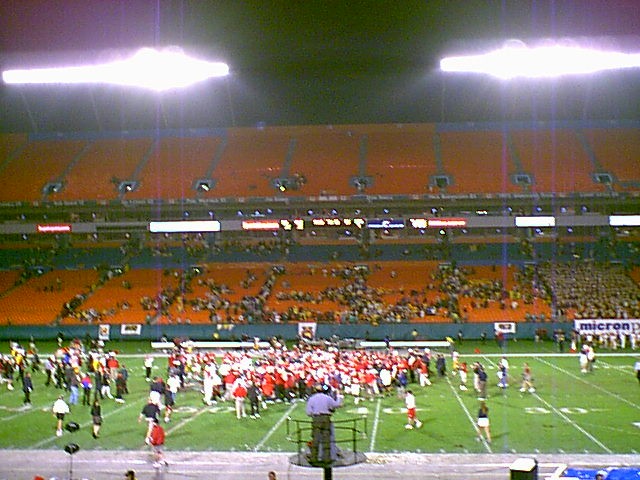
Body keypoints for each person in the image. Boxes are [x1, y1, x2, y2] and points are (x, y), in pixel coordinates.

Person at [306, 383, 343, 465]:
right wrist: (339, 396)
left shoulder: (311, 399)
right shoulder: (327, 398)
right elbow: (337, 405)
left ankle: (314, 458)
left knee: (315, 439)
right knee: (326, 439)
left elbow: (308, 412)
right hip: (326, 419)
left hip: (316, 419)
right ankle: (327, 458)